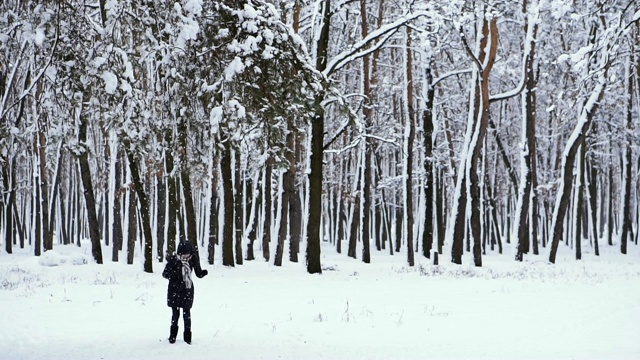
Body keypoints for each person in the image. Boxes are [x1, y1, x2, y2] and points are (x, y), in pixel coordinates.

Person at [162, 241, 208, 344]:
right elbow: (165, 274)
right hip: (174, 289)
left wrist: (203, 273)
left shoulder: (193, 259)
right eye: (183, 254)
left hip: (187, 290)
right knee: (175, 314)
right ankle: (172, 336)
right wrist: (174, 274)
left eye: (188, 254)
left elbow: (198, 273)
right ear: (179, 253)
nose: (186, 256)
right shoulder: (173, 260)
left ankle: (187, 337)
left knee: (186, 314)